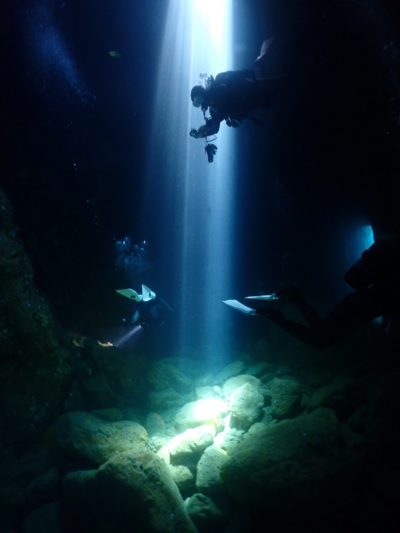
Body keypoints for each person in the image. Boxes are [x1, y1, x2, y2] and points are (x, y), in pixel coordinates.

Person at [257, 235, 400, 350]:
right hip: (368, 303)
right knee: (321, 338)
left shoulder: (388, 243)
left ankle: (292, 301)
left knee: (321, 334)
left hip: (367, 302)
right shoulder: (389, 245)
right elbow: (353, 278)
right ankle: (286, 308)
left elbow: (353, 278)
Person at [189, 37, 280, 140]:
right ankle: (262, 62)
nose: (200, 105)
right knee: (272, 92)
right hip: (253, 95)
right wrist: (200, 133)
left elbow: (214, 126)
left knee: (274, 88)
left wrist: (201, 133)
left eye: (196, 101)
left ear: (199, 96)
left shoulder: (215, 102)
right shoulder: (214, 106)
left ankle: (262, 61)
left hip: (253, 92)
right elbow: (214, 126)